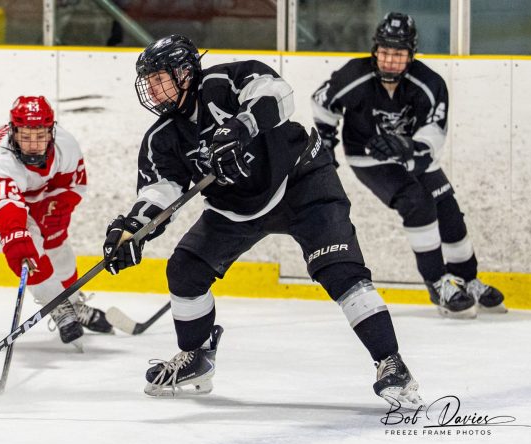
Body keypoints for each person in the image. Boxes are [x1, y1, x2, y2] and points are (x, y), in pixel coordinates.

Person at [101, 34, 421, 407]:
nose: (153, 91)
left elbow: (278, 93)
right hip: (236, 207)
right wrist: (133, 229)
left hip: (301, 180)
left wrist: (242, 126)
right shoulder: (163, 137)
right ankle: (196, 357)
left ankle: (391, 363)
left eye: (159, 80)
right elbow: (160, 190)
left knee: (340, 272)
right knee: (185, 270)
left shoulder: (225, 82)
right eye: (149, 83)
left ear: (185, 72)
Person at [311, 12, 506, 319]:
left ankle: (467, 280)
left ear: (411, 54)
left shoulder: (429, 84)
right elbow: (322, 102)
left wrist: (409, 147)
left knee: (448, 210)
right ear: (376, 49)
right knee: (416, 202)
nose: (389, 60)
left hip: (413, 155)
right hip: (368, 157)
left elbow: (434, 134)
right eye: (385, 52)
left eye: (398, 54)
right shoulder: (355, 74)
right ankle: (437, 282)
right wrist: (325, 141)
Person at [0, 95, 113, 347]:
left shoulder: (66, 146)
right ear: (13, 132)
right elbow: (7, 207)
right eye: (25, 137)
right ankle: (59, 306)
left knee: (56, 239)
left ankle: (72, 302)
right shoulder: (1, 159)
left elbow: (72, 187)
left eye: (40, 136)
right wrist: (15, 238)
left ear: (52, 131)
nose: (32, 145)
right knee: (25, 241)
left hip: (36, 186)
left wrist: (56, 213)